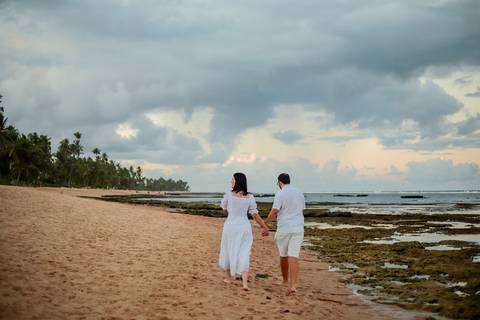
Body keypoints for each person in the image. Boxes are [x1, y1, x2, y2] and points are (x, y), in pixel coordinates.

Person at [219, 172, 270, 290]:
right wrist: (264, 226)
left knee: (228, 249)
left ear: (238, 181)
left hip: (230, 226)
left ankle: (228, 278)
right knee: (244, 252)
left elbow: (224, 207)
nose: (231, 182)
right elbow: (255, 215)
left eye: (232, 180)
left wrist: (231, 209)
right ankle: (245, 283)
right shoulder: (250, 197)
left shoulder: (228, 195)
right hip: (244, 227)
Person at [265, 173, 305, 294]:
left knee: (283, 255)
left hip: (284, 228)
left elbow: (274, 211)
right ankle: (293, 286)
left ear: (280, 182)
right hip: (298, 229)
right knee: (294, 256)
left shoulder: (280, 193)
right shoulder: (299, 192)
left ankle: (285, 281)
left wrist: (265, 224)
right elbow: (301, 209)